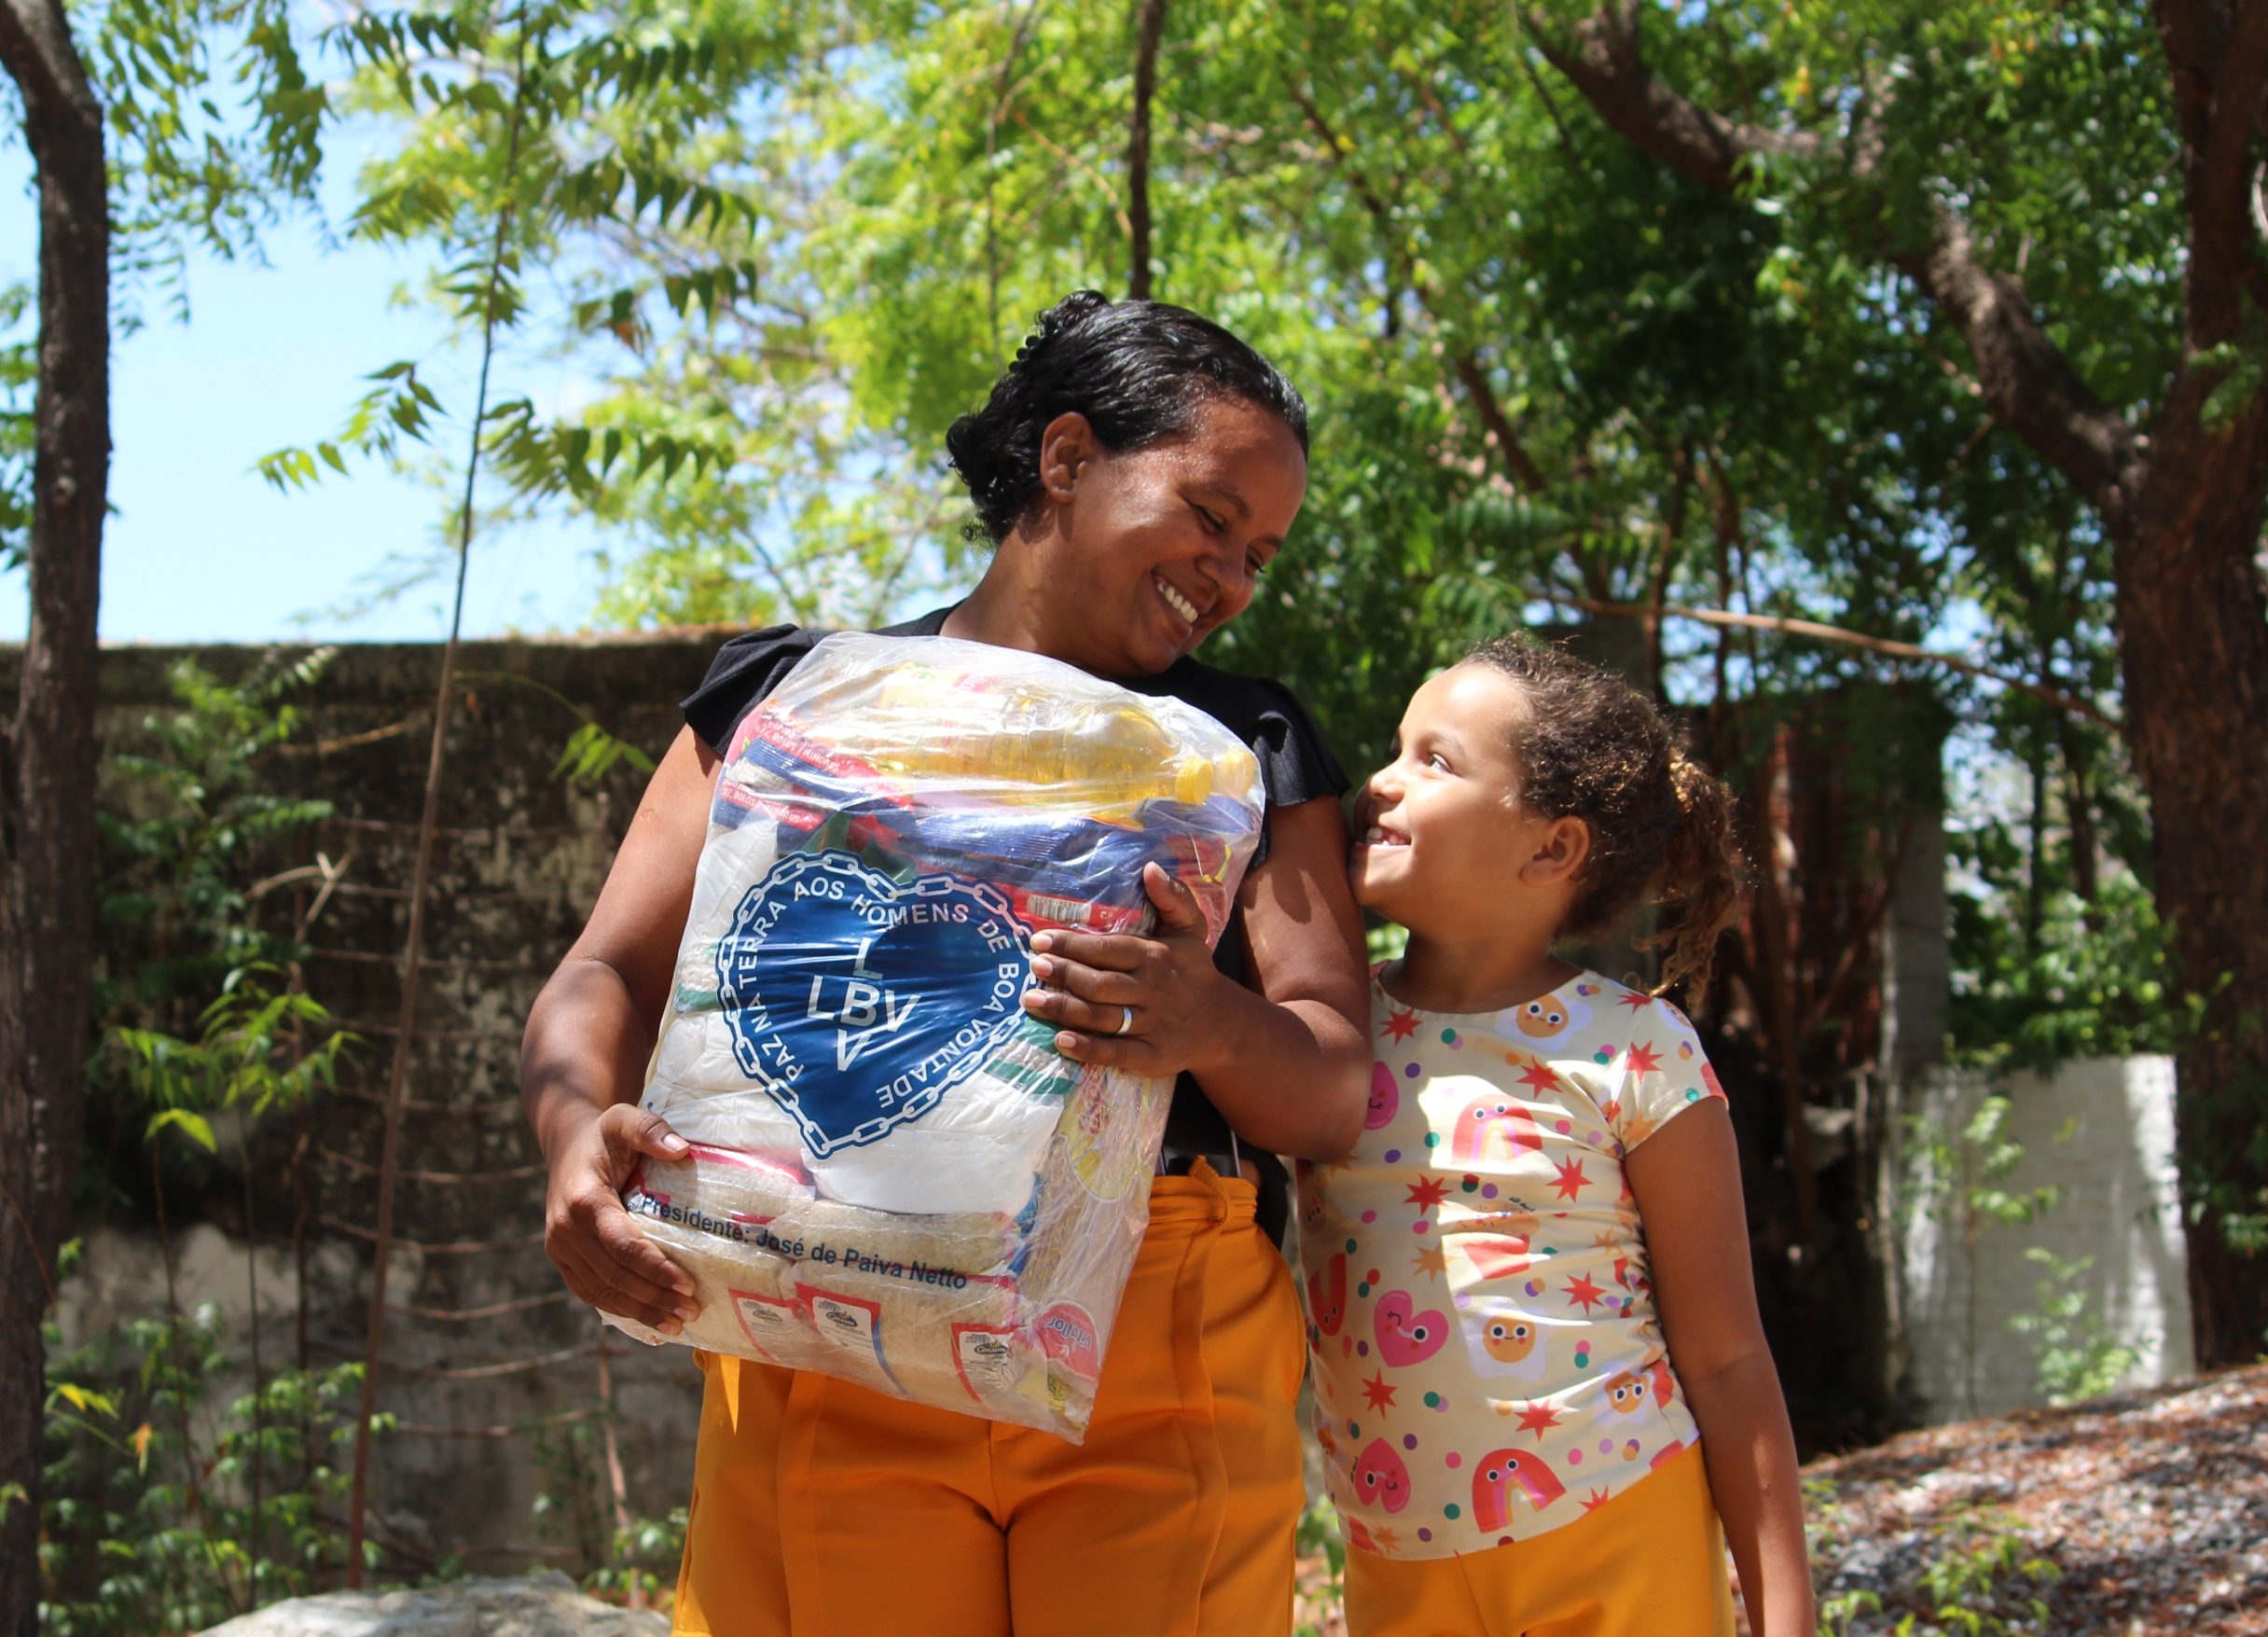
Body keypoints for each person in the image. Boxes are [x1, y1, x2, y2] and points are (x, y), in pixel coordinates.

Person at [520, 290, 1373, 1637]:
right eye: (1212, 517)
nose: (1231, 577)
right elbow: (603, 976)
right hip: (821, 1322)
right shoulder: (797, 700)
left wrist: (1206, 1022)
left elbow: (1332, 1088)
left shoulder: (1245, 745)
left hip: (1159, 1352)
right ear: (1069, 454)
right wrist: (575, 1135)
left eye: (1260, 552)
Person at [1302, 636, 1812, 1637]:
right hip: (1392, 1557)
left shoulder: (1633, 1048)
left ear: (1551, 849)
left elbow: (1726, 1361)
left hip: (1616, 1525)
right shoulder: (1322, 1035)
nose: (1380, 782)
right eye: (1396, 749)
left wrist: (1785, 1615)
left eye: (1433, 761)